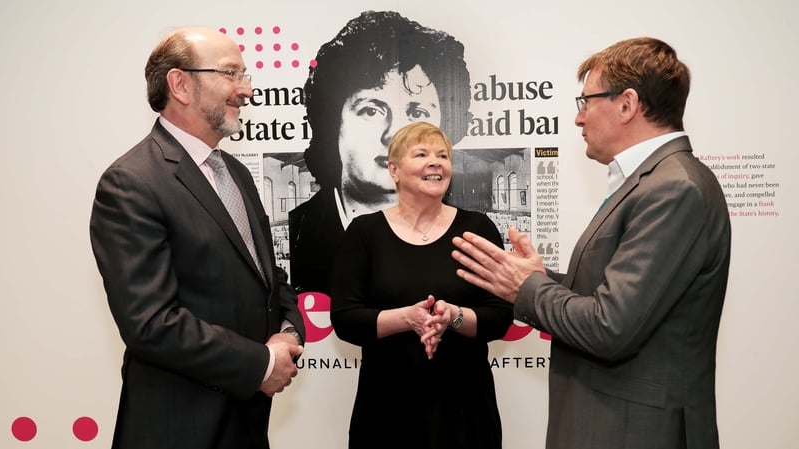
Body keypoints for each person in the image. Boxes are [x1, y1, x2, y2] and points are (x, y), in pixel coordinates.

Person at [452, 37, 731, 449]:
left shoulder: (674, 189)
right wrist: (539, 277)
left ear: (627, 104)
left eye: (585, 102)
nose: (579, 119)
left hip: (633, 431)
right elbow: (614, 297)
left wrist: (525, 287)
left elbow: (610, 327)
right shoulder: (652, 183)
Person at [89, 27, 305, 449]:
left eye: (245, 75)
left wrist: (289, 331)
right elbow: (150, 323)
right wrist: (261, 363)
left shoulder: (236, 173)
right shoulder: (131, 182)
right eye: (231, 73)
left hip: (245, 421)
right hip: (180, 427)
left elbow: (266, 273)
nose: (246, 90)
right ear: (180, 84)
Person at [330, 122, 513, 449]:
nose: (436, 162)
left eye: (443, 155)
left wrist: (453, 316)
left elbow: (499, 316)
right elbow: (345, 319)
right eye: (422, 154)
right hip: (386, 410)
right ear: (394, 170)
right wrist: (408, 318)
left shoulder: (477, 229)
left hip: (465, 410)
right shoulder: (364, 233)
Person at [289, 10, 472, 295]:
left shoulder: (468, 233)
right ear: (332, 123)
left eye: (417, 112)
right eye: (371, 110)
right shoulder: (296, 230)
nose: (394, 135)